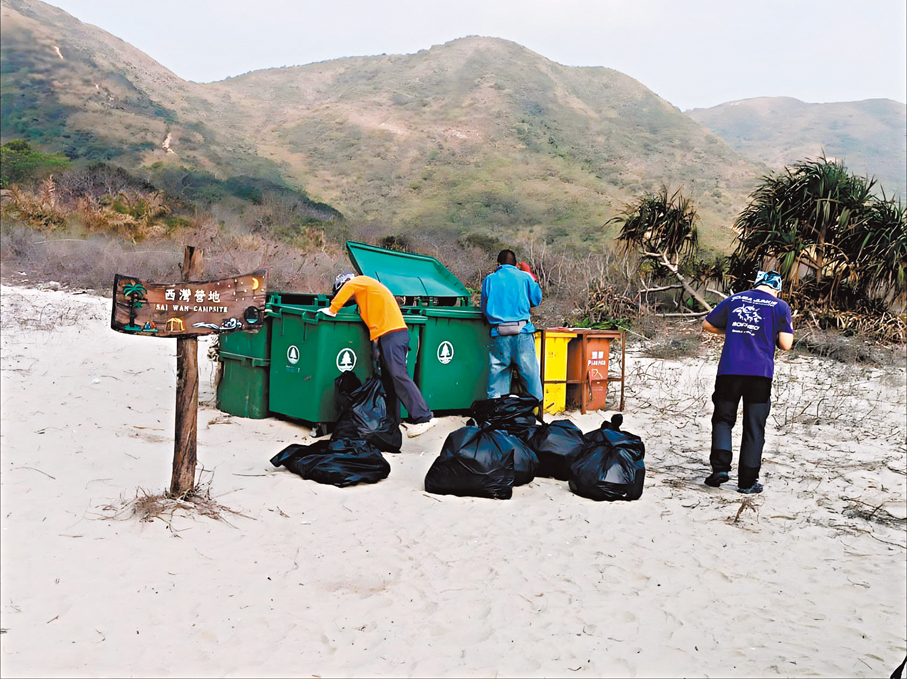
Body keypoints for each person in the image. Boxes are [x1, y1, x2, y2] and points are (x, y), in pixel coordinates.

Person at [701, 269, 794, 494]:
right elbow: (786, 344)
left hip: (729, 370)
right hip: (759, 373)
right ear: (777, 288)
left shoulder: (735, 299)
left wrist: (733, 333)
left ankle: (720, 469)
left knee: (723, 419)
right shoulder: (780, 306)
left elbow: (707, 324)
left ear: (756, 283)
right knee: (754, 426)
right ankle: (747, 481)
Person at [318, 273, 436, 438]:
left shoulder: (359, 281)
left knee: (398, 375)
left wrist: (333, 309)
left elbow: (349, 287)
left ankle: (424, 417)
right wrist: (376, 347)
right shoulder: (368, 292)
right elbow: (375, 320)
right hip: (388, 336)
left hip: (393, 334)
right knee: (389, 382)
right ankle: (391, 426)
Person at [480, 250, 544, 402]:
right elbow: (536, 300)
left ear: (498, 265)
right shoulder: (524, 277)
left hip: (499, 333)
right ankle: (534, 409)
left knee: (498, 373)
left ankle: (497, 411)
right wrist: (530, 275)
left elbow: (484, 307)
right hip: (523, 331)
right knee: (530, 375)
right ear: (516, 264)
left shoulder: (489, 279)